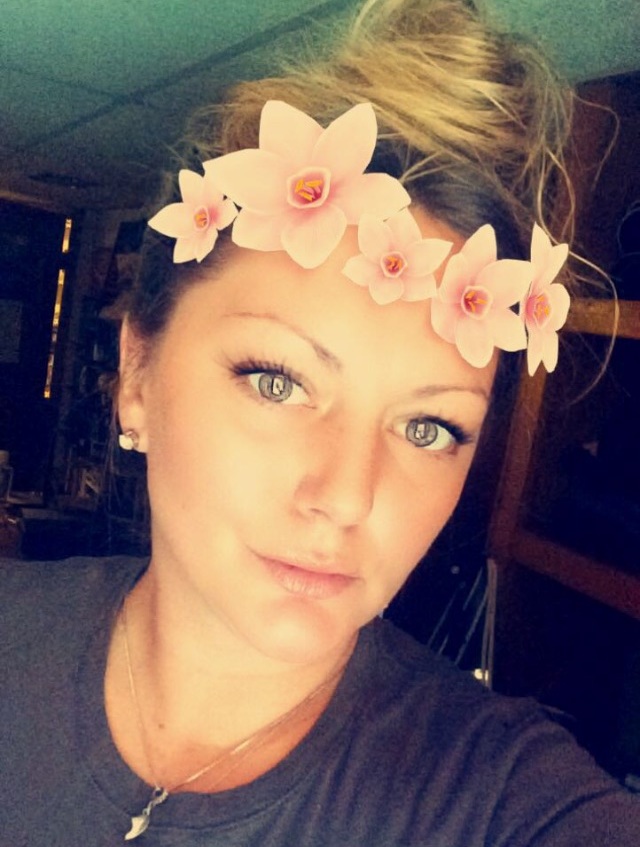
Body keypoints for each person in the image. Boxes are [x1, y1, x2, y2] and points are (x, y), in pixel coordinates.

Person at [1, 0, 639, 844]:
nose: (346, 496)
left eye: (429, 428)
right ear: (138, 373)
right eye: (278, 381)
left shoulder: (502, 800)